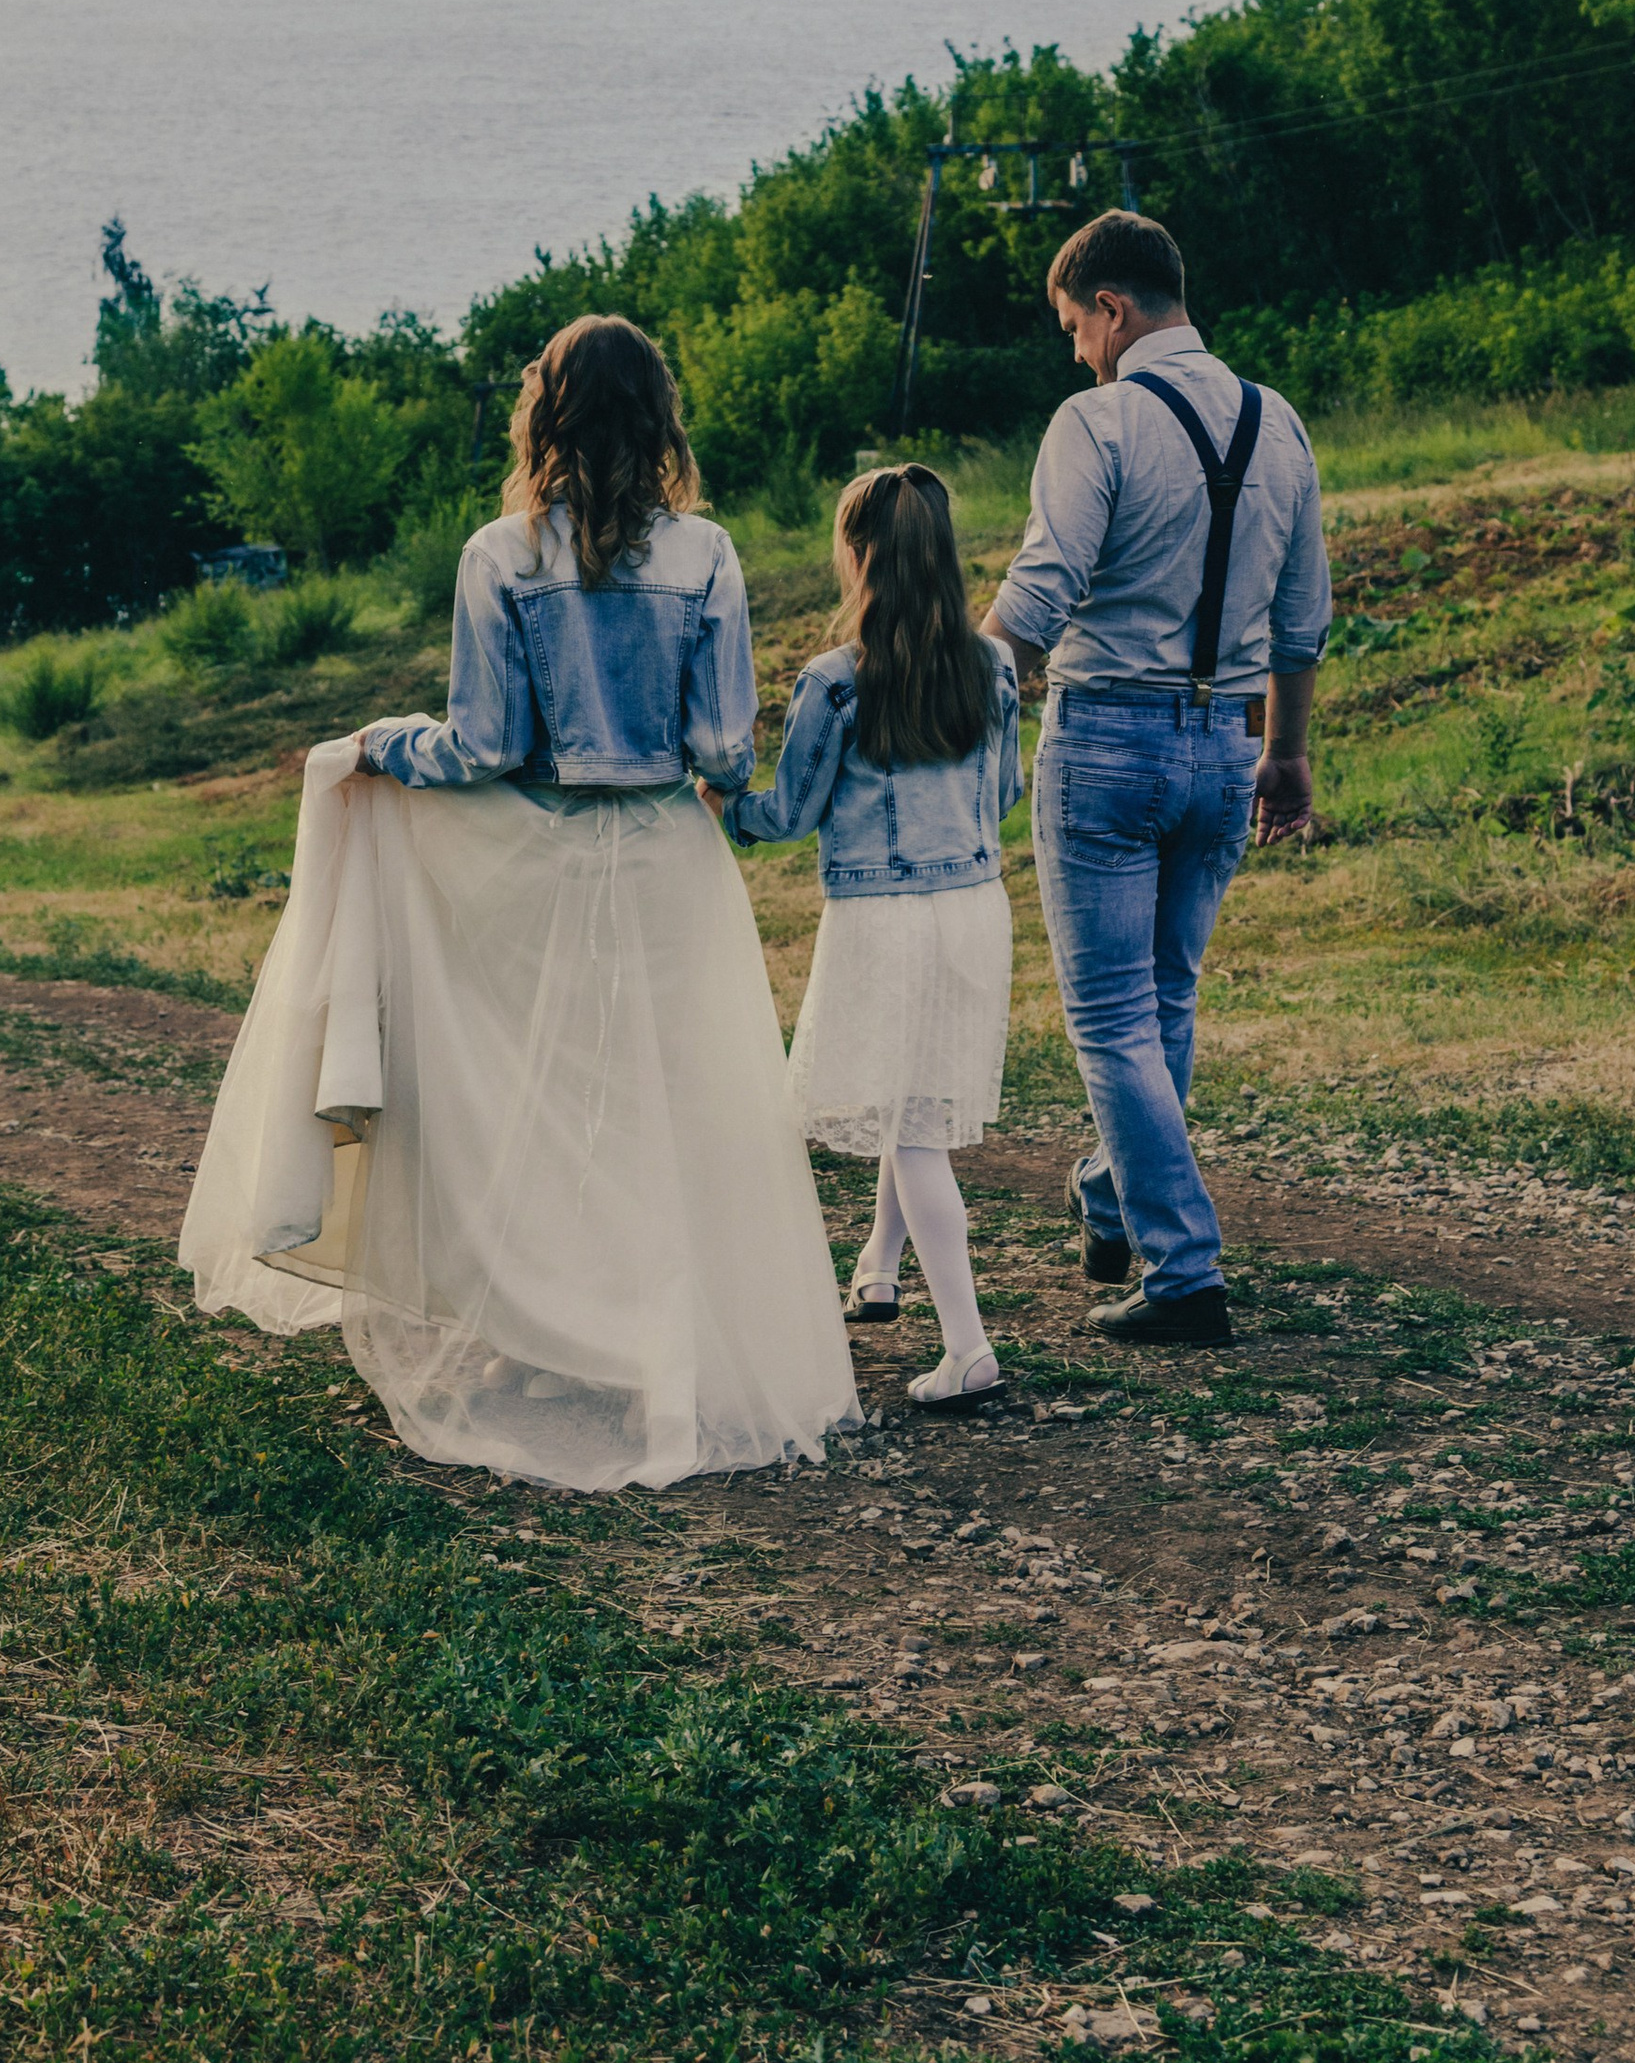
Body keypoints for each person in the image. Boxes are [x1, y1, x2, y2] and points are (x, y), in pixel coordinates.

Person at [181, 313, 857, 1494]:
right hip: (664, 861)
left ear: (544, 414)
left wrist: (382, 745)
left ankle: (556, 1340)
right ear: (658, 419)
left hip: (536, 860)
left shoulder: (500, 552)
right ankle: (653, 1342)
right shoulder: (707, 553)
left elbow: (484, 745)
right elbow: (721, 750)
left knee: (536, 1095)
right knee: (675, 1101)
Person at [983, 210, 1328, 1350]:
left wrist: (959, 690)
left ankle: (1183, 1273)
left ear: (1113, 309)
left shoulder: (1099, 420)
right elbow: (1300, 617)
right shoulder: (1277, 424)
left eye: (1074, 325)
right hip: (1226, 747)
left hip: (1107, 747)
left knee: (1112, 1019)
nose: (1074, 349)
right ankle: (1108, 1193)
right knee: (1166, 1000)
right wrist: (1286, 751)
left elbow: (1044, 586)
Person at [723, 463, 1021, 1410]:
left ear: (857, 557)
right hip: (975, 908)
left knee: (914, 1128)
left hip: (882, 920)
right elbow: (1005, 791)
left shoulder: (836, 682)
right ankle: (880, 1265)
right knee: (915, 1097)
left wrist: (724, 803)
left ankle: (969, 1346)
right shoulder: (996, 666)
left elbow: (790, 810)